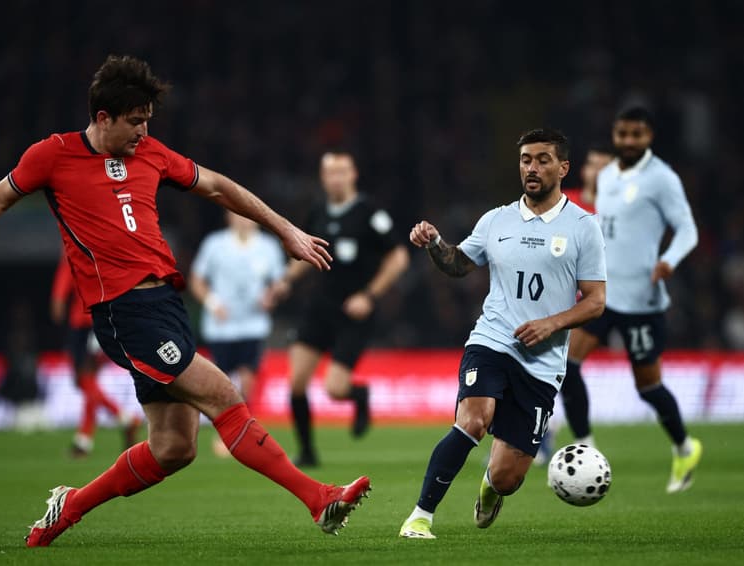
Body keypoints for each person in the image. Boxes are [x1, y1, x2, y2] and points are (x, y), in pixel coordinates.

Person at [0, 55, 371, 547]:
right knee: (224, 395)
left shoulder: (151, 153)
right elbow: (0, 195)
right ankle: (319, 499)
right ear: (103, 118)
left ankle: (68, 507)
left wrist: (286, 229)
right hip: (124, 313)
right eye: (135, 120)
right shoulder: (53, 155)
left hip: (167, 306)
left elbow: (219, 187)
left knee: (174, 448)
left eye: (147, 120)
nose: (143, 130)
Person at [399, 128, 607, 539]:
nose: (532, 167)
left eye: (543, 159)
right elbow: (459, 264)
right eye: (526, 159)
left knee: (508, 476)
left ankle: (490, 490)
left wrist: (552, 322)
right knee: (474, 420)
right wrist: (435, 242)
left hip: (543, 364)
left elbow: (596, 301)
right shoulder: (496, 219)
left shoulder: (584, 227)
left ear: (563, 167)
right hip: (491, 342)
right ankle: (420, 515)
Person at [562, 107, 702, 493]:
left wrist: (669, 261)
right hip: (602, 297)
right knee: (566, 366)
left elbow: (688, 229)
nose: (627, 141)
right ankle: (586, 447)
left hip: (642, 300)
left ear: (649, 136)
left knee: (648, 387)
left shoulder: (662, 179)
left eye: (635, 134)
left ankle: (684, 446)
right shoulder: (606, 176)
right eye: (622, 134)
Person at [273, 151, 409, 468]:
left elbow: (398, 257)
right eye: (330, 172)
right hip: (320, 307)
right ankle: (307, 452)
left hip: (354, 311)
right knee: (296, 382)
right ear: (323, 178)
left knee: (334, 389)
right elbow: (306, 253)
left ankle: (358, 396)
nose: (336, 178)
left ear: (353, 174)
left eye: (342, 171)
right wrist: (284, 282)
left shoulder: (369, 213)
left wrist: (370, 296)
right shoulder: (318, 210)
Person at [534, 144, 613, 465]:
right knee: (556, 369)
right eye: (593, 163)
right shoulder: (568, 204)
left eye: (604, 165)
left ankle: (573, 441)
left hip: (603, 299)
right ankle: (545, 436)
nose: (596, 170)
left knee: (564, 368)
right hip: (562, 301)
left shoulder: (622, 210)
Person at [189, 211, 286, 456]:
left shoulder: (269, 246)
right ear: (229, 218)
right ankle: (226, 430)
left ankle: (243, 432)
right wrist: (212, 303)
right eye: (238, 215)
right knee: (223, 383)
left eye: (247, 215)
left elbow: (280, 283)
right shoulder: (215, 244)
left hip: (253, 325)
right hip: (221, 326)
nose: (244, 219)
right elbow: (197, 280)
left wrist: (270, 297)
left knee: (248, 378)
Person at [50, 247, 140, 457]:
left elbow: (64, 279)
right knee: (87, 380)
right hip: (100, 320)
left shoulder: (73, 247)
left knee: (84, 377)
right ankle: (85, 439)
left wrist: (58, 299)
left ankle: (124, 419)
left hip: (85, 323)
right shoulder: (101, 247)